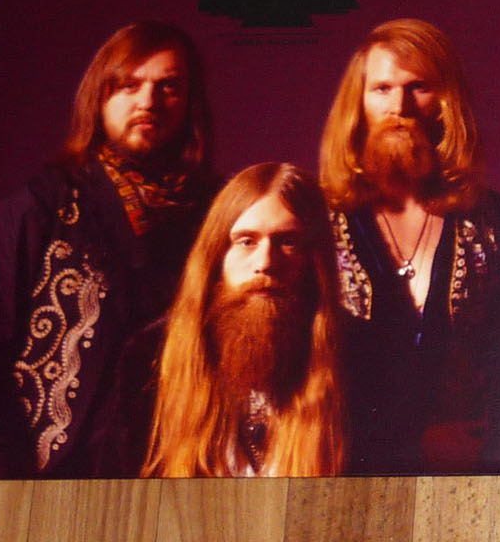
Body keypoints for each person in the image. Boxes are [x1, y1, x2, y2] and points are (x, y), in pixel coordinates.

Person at [0, 22, 218, 477]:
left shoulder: (216, 218)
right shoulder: (42, 206)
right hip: (35, 475)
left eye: (168, 87)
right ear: (98, 97)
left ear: (190, 102)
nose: (148, 101)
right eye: (129, 85)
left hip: (161, 477)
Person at [318, 18, 500, 473]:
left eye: (418, 88)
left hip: (466, 465)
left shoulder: (495, 221)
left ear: (447, 103)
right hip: (342, 461)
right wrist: (412, 440)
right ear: (359, 103)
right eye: (382, 89)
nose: (400, 107)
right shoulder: (317, 220)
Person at [139, 163, 345, 476]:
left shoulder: (357, 360)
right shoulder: (146, 359)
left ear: (314, 259)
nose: (265, 263)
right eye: (246, 241)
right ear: (216, 255)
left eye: (288, 241)